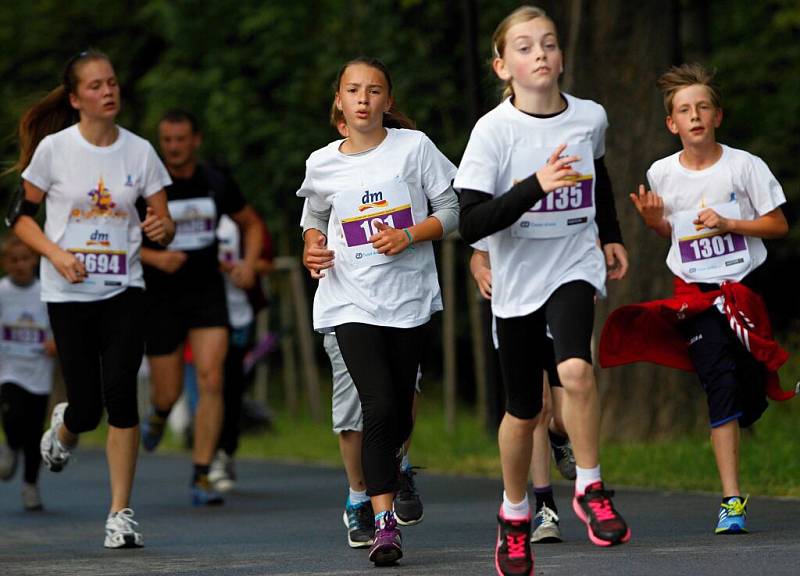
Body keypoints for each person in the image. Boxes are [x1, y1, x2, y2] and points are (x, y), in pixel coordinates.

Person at [455, 6, 631, 573]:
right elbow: (473, 221)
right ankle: (513, 513)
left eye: (549, 44)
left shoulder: (589, 117)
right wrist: (536, 185)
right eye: (526, 47)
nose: (541, 55)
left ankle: (591, 486)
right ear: (502, 66)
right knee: (524, 412)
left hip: (572, 263)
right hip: (516, 279)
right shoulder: (493, 131)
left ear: (561, 57)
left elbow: (598, 176)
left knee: (577, 370)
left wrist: (610, 234)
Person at [601, 63, 791, 535]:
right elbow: (674, 232)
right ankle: (731, 500)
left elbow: (778, 224)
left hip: (745, 289)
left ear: (717, 116)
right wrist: (652, 223)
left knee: (748, 389)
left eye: (703, 106)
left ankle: (752, 401)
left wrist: (731, 225)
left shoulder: (745, 165)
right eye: (685, 110)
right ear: (673, 124)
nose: (695, 115)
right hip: (695, 295)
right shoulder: (661, 173)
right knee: (718, 382)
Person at [8, 50, 174, 548]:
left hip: (124, 288)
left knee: (121, 391)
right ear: (77, 98)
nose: (109, 91)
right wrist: (57, 255)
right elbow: (18, 217)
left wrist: (161, 228)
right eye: (97, 85)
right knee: (86, 407)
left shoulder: (140, 152)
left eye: (113, 83)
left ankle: (119, 513)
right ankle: (65, 427)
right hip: (67, 291)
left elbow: (162, 225)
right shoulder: (54, 151)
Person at [298, 57, 458, 566]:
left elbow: (452, 209)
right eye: (353, 90)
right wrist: (311, 245)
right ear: (339, 102)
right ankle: (383, 523)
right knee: (378, 405)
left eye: (374, 91)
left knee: (398, 407)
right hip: (349, 299)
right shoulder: (321, 162)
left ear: (388, 102)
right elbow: (315, 218)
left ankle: (390, 475)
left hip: (408, 300)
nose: (363, 98)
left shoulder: (415, 148)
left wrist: (410, 234)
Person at [138, 109, 263, 506]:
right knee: (168, 391)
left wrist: (247, 264)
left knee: (212, 380)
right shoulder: (148, 185)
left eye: (180, 139)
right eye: (167, 140)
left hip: (208, 292)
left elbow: (253, 224)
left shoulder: (215, 182)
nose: (173, 147)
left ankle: (202, 473)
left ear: (196, 140)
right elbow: (120, 237)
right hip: (161, 296)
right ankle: (158, 414)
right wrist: (157, 259)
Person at [469, 241, 572, 545]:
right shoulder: (501, 198)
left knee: (567, 413)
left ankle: (559, 434)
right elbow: (479, 254)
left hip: (560, 303)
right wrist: (481, 273)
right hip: (516, 309)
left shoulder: (559, 196)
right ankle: (544, 506)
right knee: (534, 407)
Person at [209, 210, 273, 492]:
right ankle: (206, 457)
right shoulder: (194, 219)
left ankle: (226, 453)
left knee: (232, 387)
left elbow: (266, 264)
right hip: (204, 315)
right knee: (209, 383)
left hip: (240, 315)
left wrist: (245, 268)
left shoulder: (246, 224)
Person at [0, 233, 56, 511]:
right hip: (9, 370)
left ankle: (30, 485)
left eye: (25, 259)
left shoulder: (45, 291)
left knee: (34, 432)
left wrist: (54, 342)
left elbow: (58, 325)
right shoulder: (2, 292)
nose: (21, 264)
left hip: (39, 373)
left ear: (35, 260)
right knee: (13, 414)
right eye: (14, 260)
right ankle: (10, 444)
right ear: (5, 263)